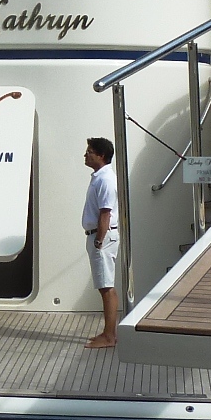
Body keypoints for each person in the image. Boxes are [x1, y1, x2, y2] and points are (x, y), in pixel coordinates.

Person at [82, 136, 121, 349]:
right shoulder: (99, 177)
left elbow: (106, 212)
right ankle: (108, 332)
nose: (85, 155)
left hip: (102, 237)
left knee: (106, 287)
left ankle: (109, 336)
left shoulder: (105, 180)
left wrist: (99, 241)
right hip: (98, 236)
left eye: (89, 152)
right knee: (103, 286)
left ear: (101, 155)